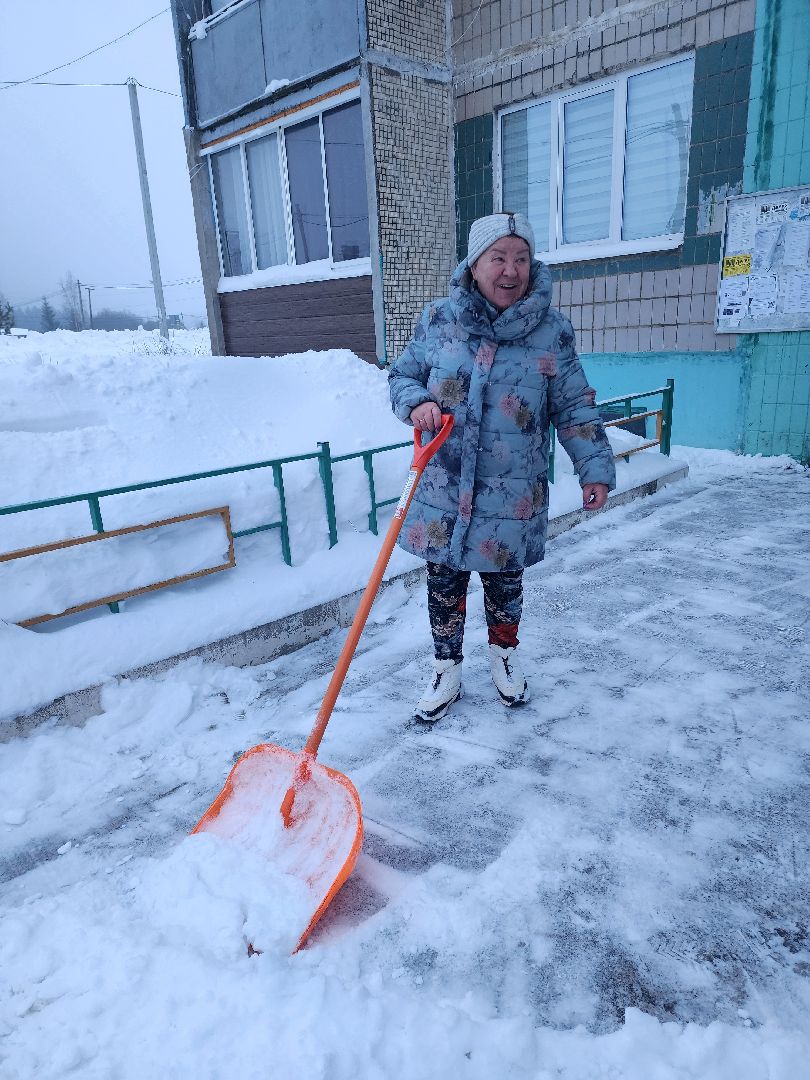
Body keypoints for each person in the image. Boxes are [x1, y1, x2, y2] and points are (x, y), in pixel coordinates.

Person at [388, 211, 616, 722]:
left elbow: (574, 404)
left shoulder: (550, 332)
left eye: (520, 258)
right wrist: (416, 403)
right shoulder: (439, 320)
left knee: (504, 586)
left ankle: (504, 660)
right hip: (444, 487)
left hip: (510, 494)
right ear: (474, 265)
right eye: (498, 258)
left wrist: (594, 468)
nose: (510, 270)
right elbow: (401, 376)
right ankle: (446, 669)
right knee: (443, 586)